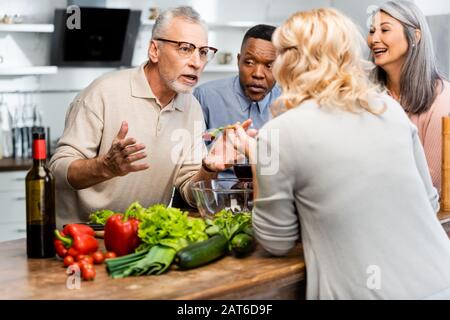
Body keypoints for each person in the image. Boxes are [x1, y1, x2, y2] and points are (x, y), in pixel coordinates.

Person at [229, 8, 450, 299]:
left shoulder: (279, 133)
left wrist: (259, 160)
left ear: (292, 59)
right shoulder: (389, 109)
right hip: (439, 279)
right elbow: (429, 202)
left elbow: (275, 241)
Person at [49, 6, 244, 227]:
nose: (197, 62)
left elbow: (190, 191)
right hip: (82, 236)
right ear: (154, 50)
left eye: (203, 52)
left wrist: (208, 168)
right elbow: (57, 169)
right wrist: (104, 167)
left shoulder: (192, 108)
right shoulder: (104, 92)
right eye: (185, 48)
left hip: (140, 235)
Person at [367, 0, 450, 193]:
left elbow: (430, 182)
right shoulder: (365, 93)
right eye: (372, 31)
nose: (374, 39)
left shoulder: (442, 99)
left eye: (384, 30)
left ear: (415, 36)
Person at [194, 24, 281, 132]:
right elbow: (195, 140)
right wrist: (217, 136)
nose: (258, 74)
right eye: (249, 62)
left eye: (269, 66)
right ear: (238, 61)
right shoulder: (204, 97)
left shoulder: (290, 104)